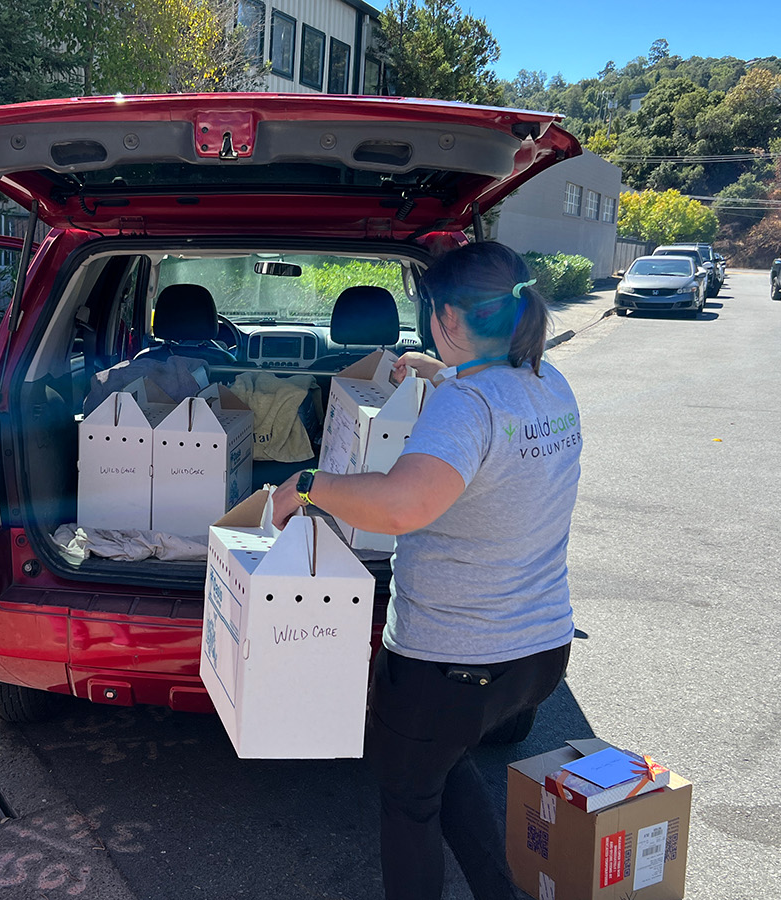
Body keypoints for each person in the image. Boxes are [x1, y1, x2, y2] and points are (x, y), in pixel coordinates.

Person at [271, 241, 581, 900]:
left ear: (443, 316)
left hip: (452, 662)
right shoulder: (548, 384)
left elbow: (404, 505)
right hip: (539, 652)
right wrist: (441, 371)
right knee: (445, 763)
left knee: (410, 800)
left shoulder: (465, 409)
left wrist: (306, 485)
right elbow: (493, 417)